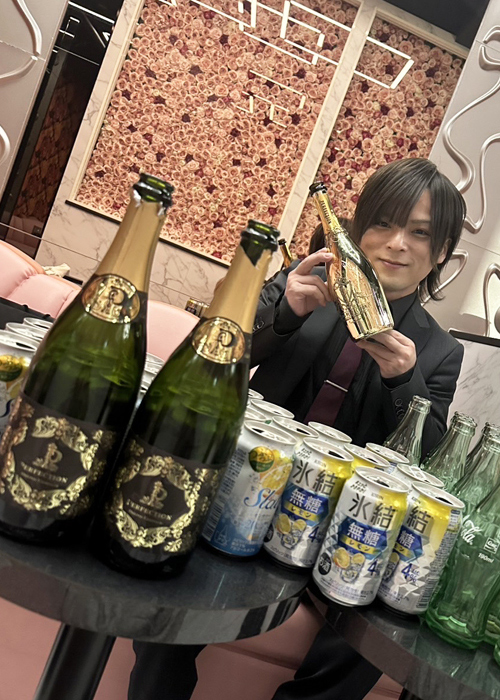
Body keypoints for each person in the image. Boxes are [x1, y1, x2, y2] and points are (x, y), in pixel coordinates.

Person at [128, 158, 466, 700]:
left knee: (369, 645)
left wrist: (406, 381)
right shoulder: (304, 282)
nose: (397, 244)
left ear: (442, 250)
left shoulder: (440, 351)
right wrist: (285, 313)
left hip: (349, 526)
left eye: (420, 233)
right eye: (382, 223)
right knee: (167, 594)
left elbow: (426, 461)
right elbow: (216, 353)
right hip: (247, 485)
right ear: (358, 227)